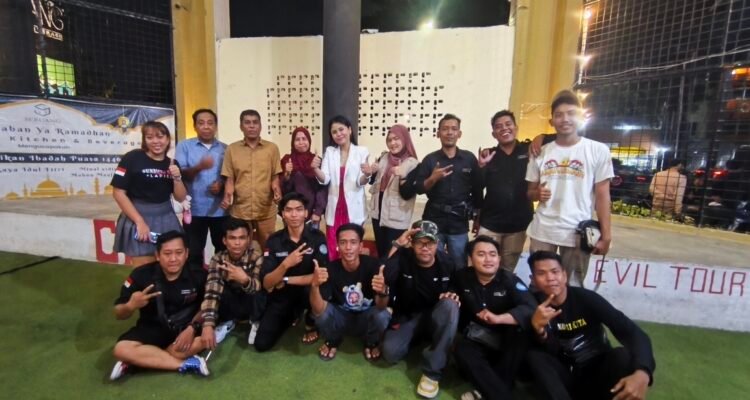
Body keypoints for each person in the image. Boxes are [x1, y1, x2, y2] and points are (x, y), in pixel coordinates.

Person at [525, 250, 655, 400]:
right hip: (564, 380)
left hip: (598, 372)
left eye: (555, 272)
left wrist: (643, 373)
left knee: (622, 355)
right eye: (541, 273)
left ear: (564, 275)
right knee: (535, 357)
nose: (550, 278)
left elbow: (632, 332)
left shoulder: (586, 299)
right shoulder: (531, 305)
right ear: (533, 280)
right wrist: (538, 330)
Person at [526, 90, 614, 286]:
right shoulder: (540, 152)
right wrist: (536, 193)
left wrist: (606, 235)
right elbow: (529, 192)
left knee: (573, 286)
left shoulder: (598, 151)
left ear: (581, 118)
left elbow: (602, 196)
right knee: (540, 285)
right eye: (559, 115)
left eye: (571, 113)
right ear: (552, 121)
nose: (565, 119)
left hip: (578, 233)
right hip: (543, 230)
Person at [110, 231, 209, 380]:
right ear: (157, 255)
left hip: (186, 328)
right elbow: (118, 313)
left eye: (179, 253)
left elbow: (207, 306)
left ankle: (138, 362)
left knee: (203, 340)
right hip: (152, 328)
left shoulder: (199, 274)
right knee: (121, 349)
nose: (173, 259)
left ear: (186, 253)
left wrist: (192, 328)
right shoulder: (140, 275)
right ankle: (185, 364)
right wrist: (130, 305)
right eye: (167, 254)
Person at [381, 220, 460, 399]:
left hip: (436, 315)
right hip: (409, 316)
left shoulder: (447, 262)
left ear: (437, 244)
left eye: (429, 243)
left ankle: (432, 373)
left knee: (450, 304)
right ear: (412, 243)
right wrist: (398, 244)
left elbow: (456, 286)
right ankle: (429, 341)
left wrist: (453, 293)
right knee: (390, 352)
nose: (425, 248)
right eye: (419, 242)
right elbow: (386, 275)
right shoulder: (403, 256)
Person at [452, 236, 537, 400]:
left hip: (507, 344)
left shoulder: (510, 280)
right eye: (481, 254)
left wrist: (499, 318)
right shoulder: (461, 277)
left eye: (492, 254)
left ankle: (490, 390)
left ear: (499, 258)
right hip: (477, 339)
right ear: (471, 258)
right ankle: (497, 387)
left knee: (521, 332)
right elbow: (451, 288)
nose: (488, 259)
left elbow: (530, 308)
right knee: (462, 350)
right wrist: (450, 294)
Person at [476, 110, 555, 272]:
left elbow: (559, 136)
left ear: (516, 128)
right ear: (494, 134)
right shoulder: (489, 154)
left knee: (507, 269)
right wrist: (481, 167)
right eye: (499, 126)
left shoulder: (529, 150)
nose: (504, 128)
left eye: (508, 124)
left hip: (518, 225)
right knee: (484, 267)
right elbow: (478, 187)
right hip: (490, 223)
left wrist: (541, 136)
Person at [256, 192, 329, 351]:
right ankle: (292, 315)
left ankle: (311, 321)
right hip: (283, 295)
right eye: (289, 210)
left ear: (306, 213)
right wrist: (285, 264)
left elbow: (321, 276)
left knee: (320, 288)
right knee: (262, 344)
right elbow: (267, 283)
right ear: (283, 214)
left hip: (308, 292)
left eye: (299, 209)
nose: (294, 214)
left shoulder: (317, 238)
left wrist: (286, 279)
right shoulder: (274, 240)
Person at [309, 223, 391, 361]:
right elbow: (318, 311)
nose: (348, 247)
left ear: (360, 246)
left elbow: (381, 306)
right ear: (337, 246)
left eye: (353, 242)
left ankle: (371, 341)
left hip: (365, 318)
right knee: (323, 313)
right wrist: (314, 285)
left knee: (383, 314)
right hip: (341, 318)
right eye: (343, 242)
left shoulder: (374, 266)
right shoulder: (330, 269)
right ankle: (333, 340)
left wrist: (383, 291)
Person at [112, 121, 187, 267]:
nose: (156, 141)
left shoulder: (172, 163)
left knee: (170, 264)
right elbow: (118, 193)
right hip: (139, 215)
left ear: (167, 139)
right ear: (144, 140)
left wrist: (177, 178)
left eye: (160, 137)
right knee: (144, 268)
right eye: (150, 137)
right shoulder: (132, 158)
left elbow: (180, 197)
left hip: (166, 217)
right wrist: (139, 222)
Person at [414, 113, 483, 268]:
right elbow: (418, 188)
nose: (449, 132)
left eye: (453, 129)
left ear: (459, 133)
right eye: (445, 129)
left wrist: (478, 218)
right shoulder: (430, 159)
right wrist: (433, 179)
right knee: (432, 262)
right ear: (438, 133)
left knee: (459, 264)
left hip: (459, 221)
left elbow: (478, 190)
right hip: (434, 219)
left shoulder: (469, 159)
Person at [199, 218, 265, 350]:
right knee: (214, 287)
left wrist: (245, 280)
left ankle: (255, 321)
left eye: (242, 238)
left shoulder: (257, 257)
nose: (237, 243)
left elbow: (259, 288)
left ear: (248, 239)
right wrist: (208, 324)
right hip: (231, 303)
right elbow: (212, 291)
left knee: (262, 290)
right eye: (232, 238)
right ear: (224, 240)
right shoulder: (217, 259)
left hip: (251, 302)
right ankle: (227, 321)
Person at [312, 115, 371, 261]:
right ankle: (335, 273)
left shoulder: (361, 151)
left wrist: (367, 174)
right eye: (334, 132)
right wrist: (315, 169)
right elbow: (325, 179)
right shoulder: (330, 152)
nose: (338, 134)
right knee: (334, 246)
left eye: (341, 129)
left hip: (353, 207)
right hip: (335, 207)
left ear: (349, 130)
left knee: (351, 246)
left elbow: (360, 181)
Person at [221, 109, 282, 248]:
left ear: (260, 125)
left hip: (265, 208)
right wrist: (227, 196)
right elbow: (230, 178)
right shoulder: (232, 149)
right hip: (240, 210)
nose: (252, 126)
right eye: (247, 123)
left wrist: (277, 191)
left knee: (268, 247)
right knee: (240, 247)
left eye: (255, 122)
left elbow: (275, 176)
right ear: (241, 126)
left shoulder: (272, 148)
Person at [175, 109, 228, 269]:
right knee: (193, 252)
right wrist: (199, 167)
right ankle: (195, 284)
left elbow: (231, 176)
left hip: (220, 211)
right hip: (194, 210)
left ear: (216, 126)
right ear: (195, 126)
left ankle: (219, 280)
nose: (206, 127)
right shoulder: (185, 146)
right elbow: (181, 174)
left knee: (223, 251)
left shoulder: (226, 149)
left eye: (210, 123)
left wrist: (222, 184)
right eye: (201, 123)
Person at [368, 124, 420, 259]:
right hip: (377, 214)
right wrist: (371, 172)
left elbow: (408, 194)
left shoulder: (412, 164)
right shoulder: (384, 157)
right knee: (381, 252)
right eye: (389, 140)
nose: (392, 143)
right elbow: (373, 182)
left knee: (394, 256)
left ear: (405, 139)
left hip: (397, 217)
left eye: (396, 139)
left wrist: (402, 177)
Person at [280, 127, 327, 229]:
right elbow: (283, 190)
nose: (301, 142)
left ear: (309, 140)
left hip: (312, 214)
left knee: (311, 239)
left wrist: (318, 211)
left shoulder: (316, 160)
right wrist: (287, 174)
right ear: (293, 142)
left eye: (304, 139)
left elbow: (322, 189)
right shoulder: (287, 160)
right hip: (292, 214)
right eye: (297, 139)